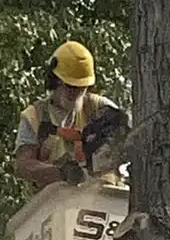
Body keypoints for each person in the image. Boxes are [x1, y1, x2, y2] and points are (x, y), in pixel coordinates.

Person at [14, 40, 127, 189]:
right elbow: (23, 166)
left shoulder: (101, 108)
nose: (76, 92)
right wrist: (62, 172)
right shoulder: (34, 116)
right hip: (54, 199)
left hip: (103, 196)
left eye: (81, 87)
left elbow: (128, 138)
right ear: (55, 81)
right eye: (70, 86)